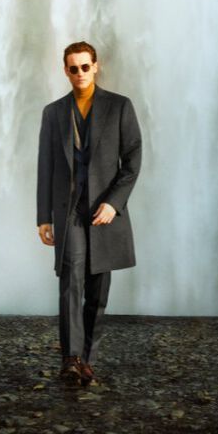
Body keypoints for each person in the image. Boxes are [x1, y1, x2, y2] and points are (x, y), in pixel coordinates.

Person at [36, 41, 142, 386]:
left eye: (85, 66)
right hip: (69, 214)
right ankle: (71, 358)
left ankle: (88, 359)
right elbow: (46, 168)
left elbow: (133, 162)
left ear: (96, 66)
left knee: (98, 291)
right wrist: (43, 216)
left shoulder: (120, 107)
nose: (79, 73)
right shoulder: (53, 113)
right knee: (71, 283)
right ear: (65, 70)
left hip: (104, 212)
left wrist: (114, 203)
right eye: (72, 68)